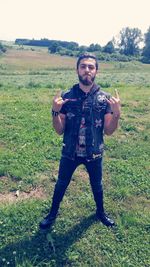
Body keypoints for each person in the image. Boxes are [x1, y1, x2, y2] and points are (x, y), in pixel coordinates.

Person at [40, 53, 121, 229]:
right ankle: (52, 214)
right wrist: (55, 111)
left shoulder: (104, 98)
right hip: (70, 151)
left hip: (95, 152)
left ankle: (100, 213)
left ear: (96, 71)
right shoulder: (67, 96)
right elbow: (59, 130)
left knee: (97, 185)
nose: (87, 70)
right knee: (61, 183)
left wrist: (116, 114)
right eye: (83, 66)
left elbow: (108, 131)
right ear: (77, 69)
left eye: (91, 67)